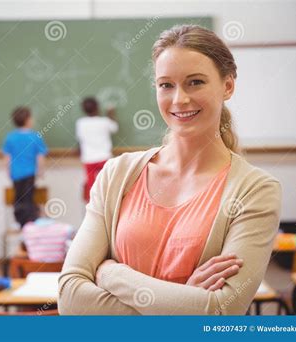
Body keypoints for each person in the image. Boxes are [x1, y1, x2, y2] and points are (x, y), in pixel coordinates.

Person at [58, 25, 282, 315]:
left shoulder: (255, 190)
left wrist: (113, 275)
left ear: (228, 86)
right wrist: (184, 301)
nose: (179, 100)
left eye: (195, 82)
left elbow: (220, 313)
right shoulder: (117, 174)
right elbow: (70, 297)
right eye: (166, 85)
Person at [3, 107, 48, 227]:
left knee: (18, 197)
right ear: (28, 120)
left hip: (16, 173)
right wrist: (41, 171)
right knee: (28, 197)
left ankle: (19, 221)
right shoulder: (35, 137)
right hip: (29, 173)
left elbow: (7, 157)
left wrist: (8, 171)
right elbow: (40, 156)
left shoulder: (11, 137)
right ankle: (29, 222)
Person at [75, 97, 118, 202]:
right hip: (105, 158)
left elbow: (79, 139)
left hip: (88, 159)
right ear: (97, 108)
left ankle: (94, 206)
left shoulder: (80, 123)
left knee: (92, 187)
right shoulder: (104, 121)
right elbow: (115, 128)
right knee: (108, 184)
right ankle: (108, 204)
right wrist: (111, 114)